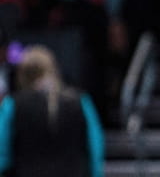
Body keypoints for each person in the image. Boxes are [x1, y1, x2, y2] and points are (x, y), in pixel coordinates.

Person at [0, 45, 104, 177]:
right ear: (53, 70)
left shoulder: (12, 105)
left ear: (22, 75)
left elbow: (2, 155)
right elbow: (95, 152)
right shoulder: (81, 102)